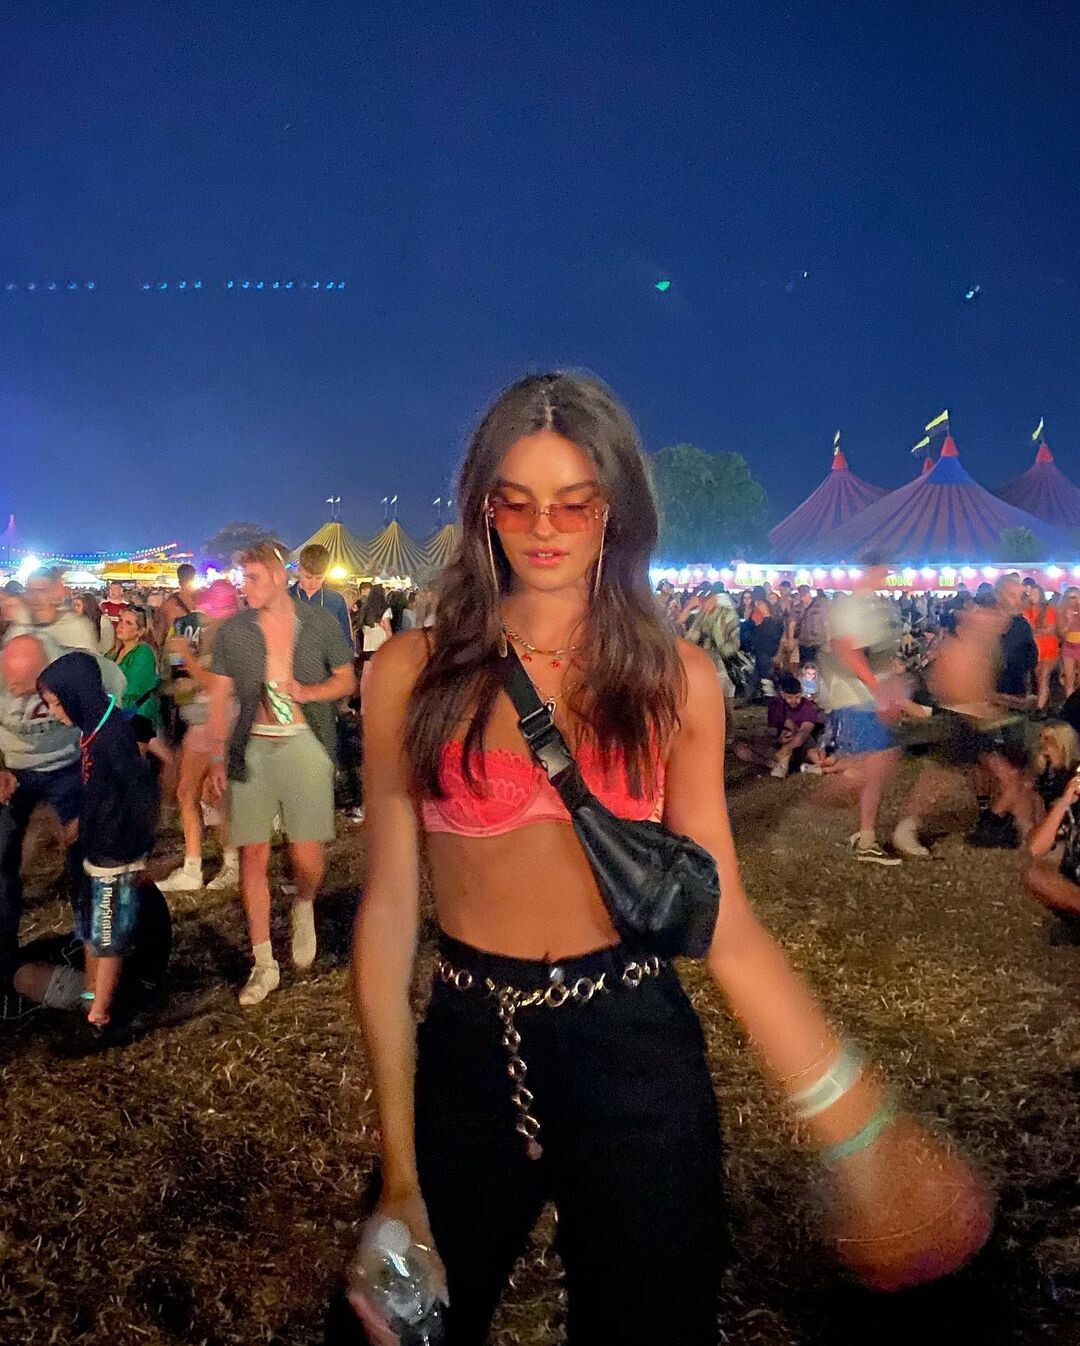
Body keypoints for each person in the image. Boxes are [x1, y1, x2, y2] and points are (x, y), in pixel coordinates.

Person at [349, 373, 990, 1346]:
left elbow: (725, 919)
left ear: (615, 509)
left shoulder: (675, 680)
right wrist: (400, 1176)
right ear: (483, 508)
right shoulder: (413, 672)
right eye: (516, 502)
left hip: (635, 1044)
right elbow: (391, 910)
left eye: (574, 502)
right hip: (469, 1046)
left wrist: (858, 1124)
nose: (544, 528)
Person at [205, 542, 354, 1005]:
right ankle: (263, 962)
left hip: (305, 743)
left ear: (275, 575)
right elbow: (219, 696)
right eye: (241, 579)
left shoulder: (320, 622)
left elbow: (347, 679)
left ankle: (304, 902)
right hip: (254, 745)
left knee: (306, 858)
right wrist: (217, 756)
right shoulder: (236, 631)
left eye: (251, 578)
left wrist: (308, 693)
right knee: (253, 853)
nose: (244, 588)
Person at [36, 652, 157, 1028]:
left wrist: (137, 848)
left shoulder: (111, 736)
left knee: (108, 934)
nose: (52, 712)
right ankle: (92, 996)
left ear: (76, 694)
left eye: (56, 703)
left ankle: (101, 1016)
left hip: (114, 854)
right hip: (98, 846)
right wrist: (81, 824)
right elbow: (100, 790)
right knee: (93, 929)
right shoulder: (93, 731)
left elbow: (138, 791)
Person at [0, 635, 127, 984]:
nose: (17, 695)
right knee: (2, 855)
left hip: (68, 764)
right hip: (16, 769)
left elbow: (113, 706)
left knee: (83, 858)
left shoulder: (82, 669)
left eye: (24, 687)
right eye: (11, 685)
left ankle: (90, 949)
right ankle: (4, 952)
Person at [157, 580, 241, 892]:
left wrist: (187, 660)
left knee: (190, 792)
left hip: (212, 724)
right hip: (206, 721)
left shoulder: (227, 637)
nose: (200, 613)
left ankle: (197, 868)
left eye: (206, 606)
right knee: (209, 795)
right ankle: (226, 863)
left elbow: (217, 685)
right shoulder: (215, 636)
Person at [818, 556, 902, 864]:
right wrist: (879, 690)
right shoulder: (853, 606)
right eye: (884, 571)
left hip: (867, 694)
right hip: (857, 696)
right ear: (871, 570)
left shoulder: (872, 605)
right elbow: (847, 650)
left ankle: (865, 833)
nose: (887, 576)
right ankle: (863, 835)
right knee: (876, 764)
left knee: (878, 763)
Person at [5, 568, 98, 653]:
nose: (35, 597)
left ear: (54, 593)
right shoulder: (19, 629)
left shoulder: (76, 628)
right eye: (30, 591)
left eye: (41, 591)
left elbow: (92, 662)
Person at [109, 605, 163, 733]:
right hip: (116, 713)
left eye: (128, 623)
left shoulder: (144, 653)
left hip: (137, 716)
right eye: (121, 620)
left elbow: (132, 689)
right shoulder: (114, 652)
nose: (121, 626)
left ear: (140, 631)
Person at [290, 544, 355, 646]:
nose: (313, 584)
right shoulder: (283, 598)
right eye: (308, 577)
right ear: (299, 570)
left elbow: (346, 642)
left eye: (319, 578)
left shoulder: (336, 601)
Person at [153, 563, 201, 649]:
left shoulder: (167, 605)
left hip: (175, 651)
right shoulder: (204, 601)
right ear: (194, 578)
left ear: (179, 581)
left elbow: (159, 637)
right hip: (198, 651)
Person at [74, 592, 115, 656]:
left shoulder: (103, 621)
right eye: (74, 605)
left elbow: (108, 644)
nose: (75, 608)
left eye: (78, 605)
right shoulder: (75, 620)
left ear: (87, 606)